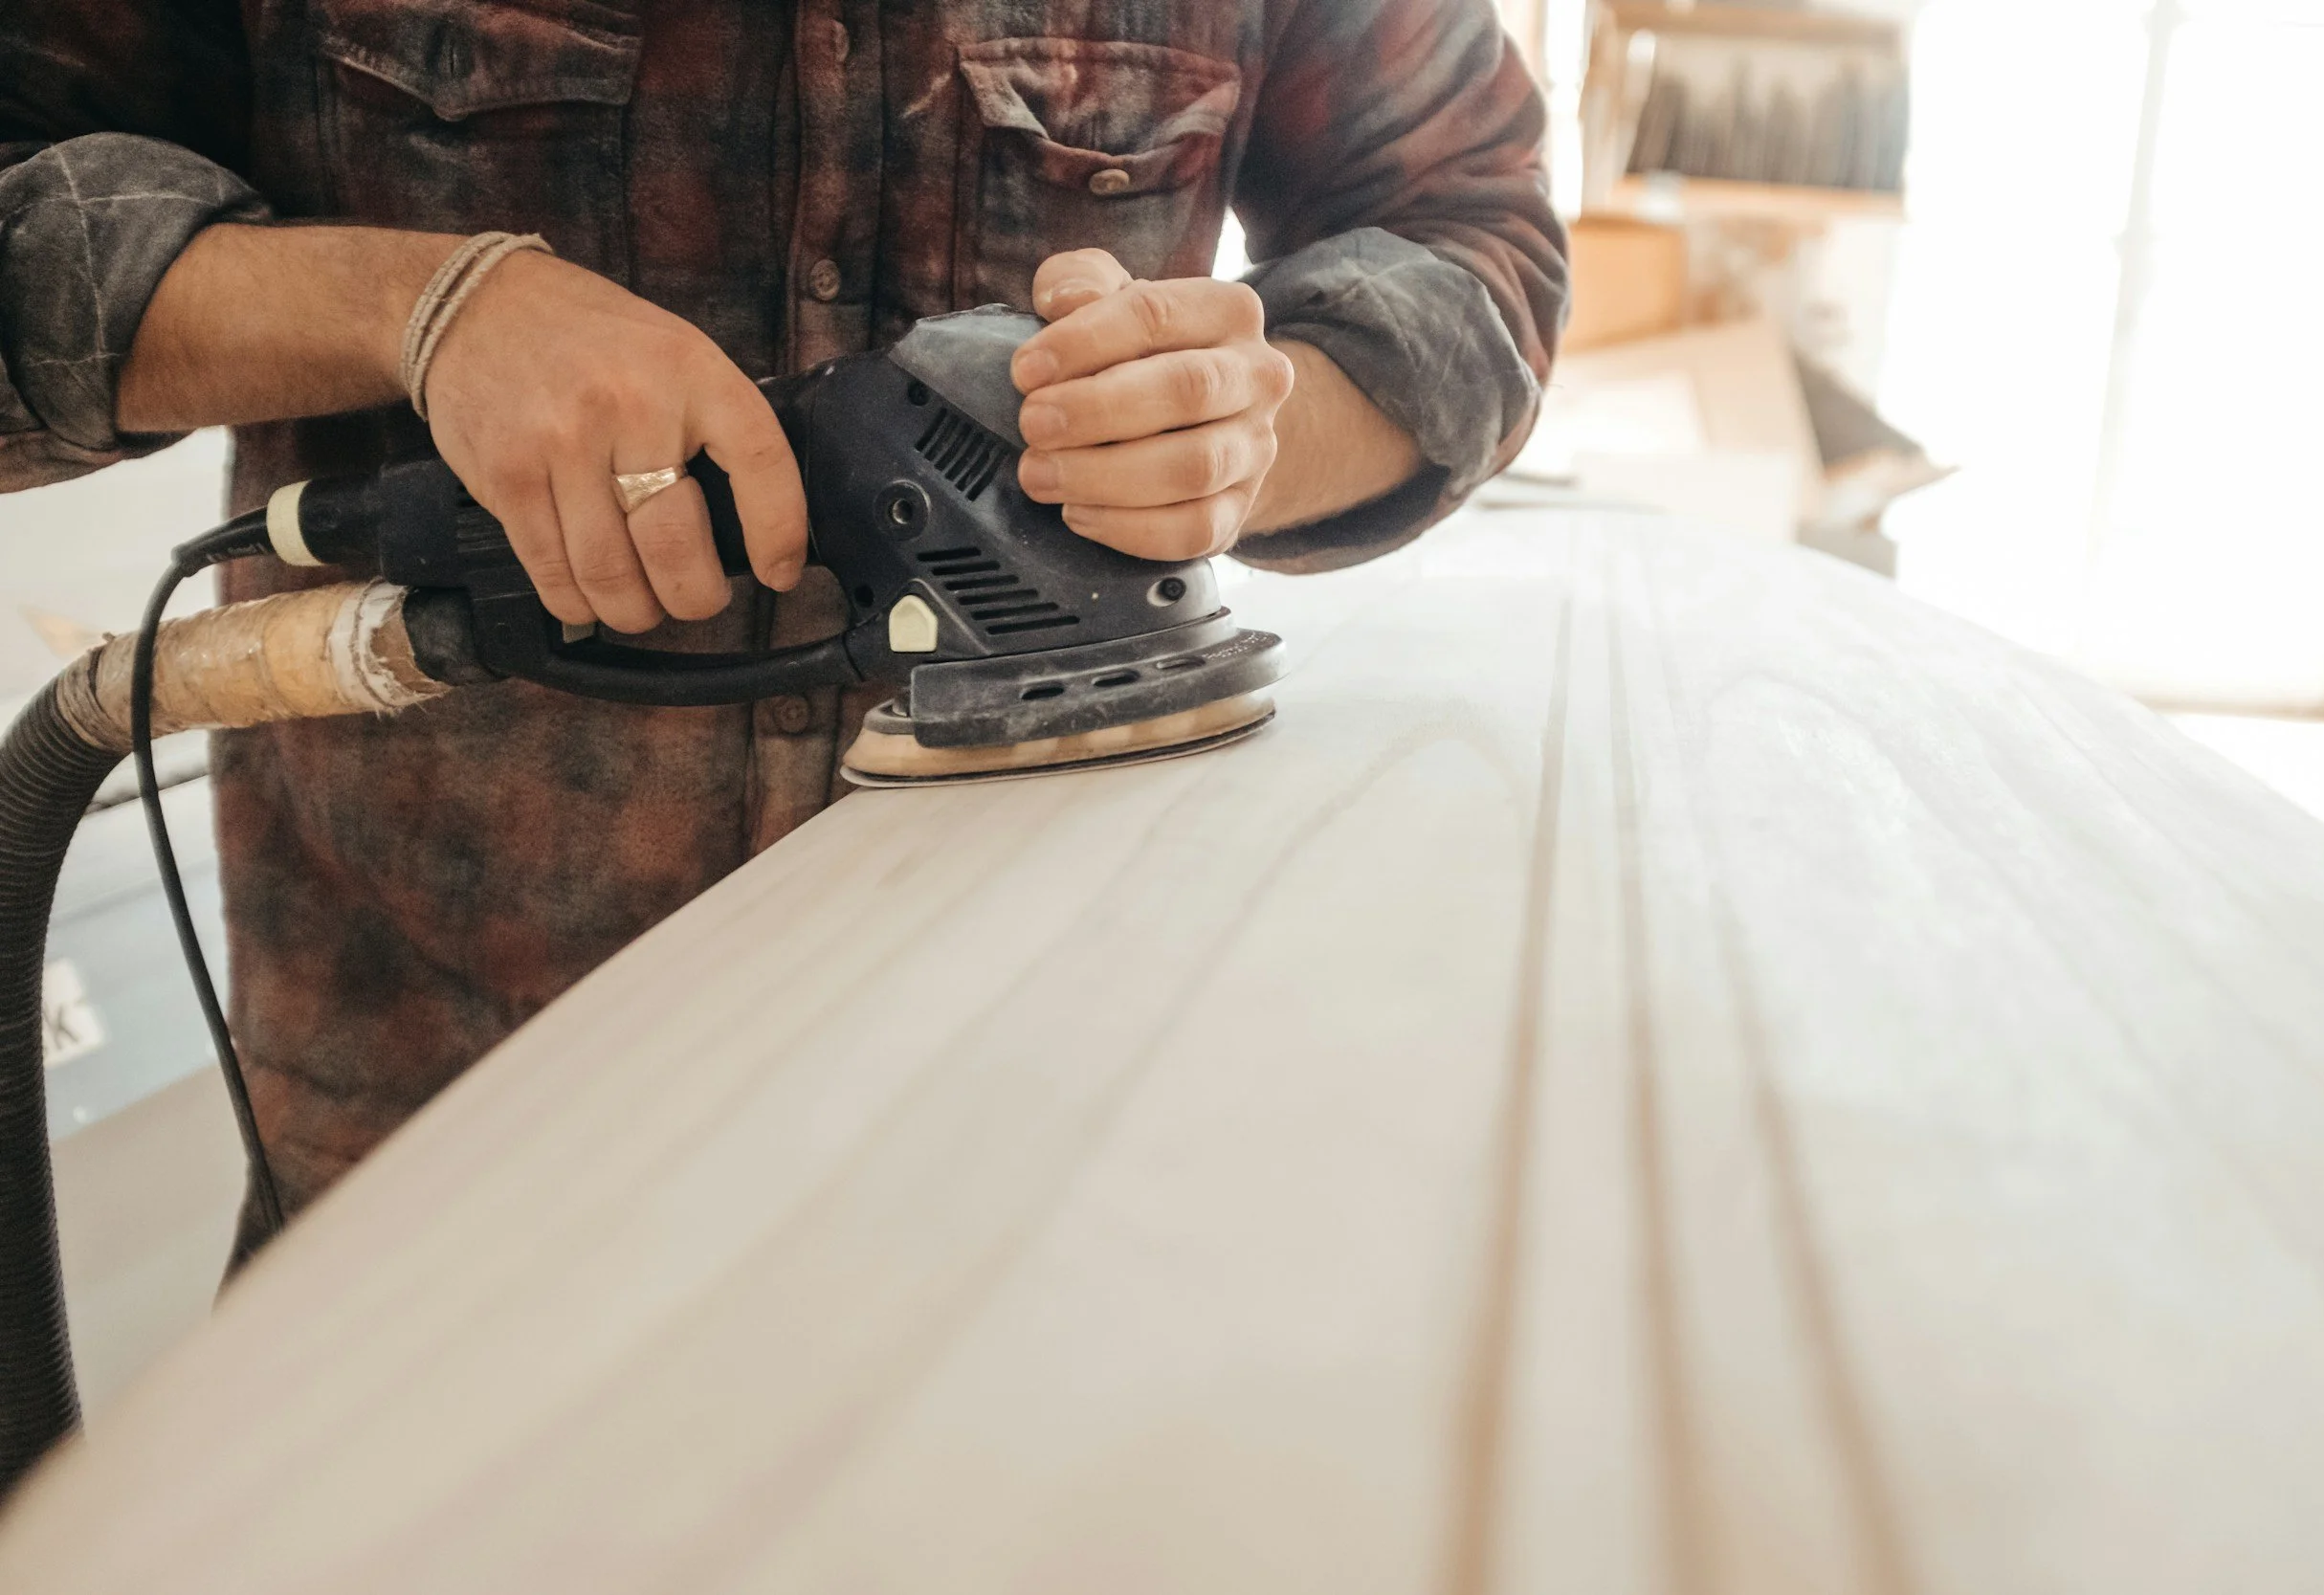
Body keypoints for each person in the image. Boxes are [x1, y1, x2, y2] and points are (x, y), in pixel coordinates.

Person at [0, 1, 1565, 1255]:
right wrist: (419, 307)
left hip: (1049, 1109)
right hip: (449, 1136)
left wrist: (1245, 436)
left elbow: (1477, 238)